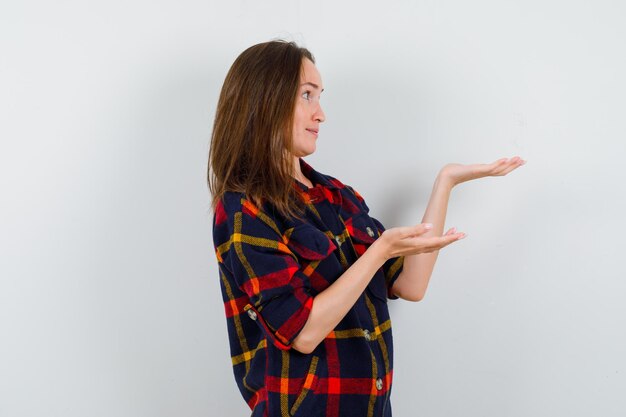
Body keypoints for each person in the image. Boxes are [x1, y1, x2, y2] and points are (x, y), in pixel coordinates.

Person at [208, 40, 525, 417]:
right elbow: (303, 333)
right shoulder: (243, 208)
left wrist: (446, 182)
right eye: (307, 95)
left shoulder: (337, 196)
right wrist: (380, 251)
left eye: (320, 96)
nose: (321, 113)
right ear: (265, 101)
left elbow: (411, 285)